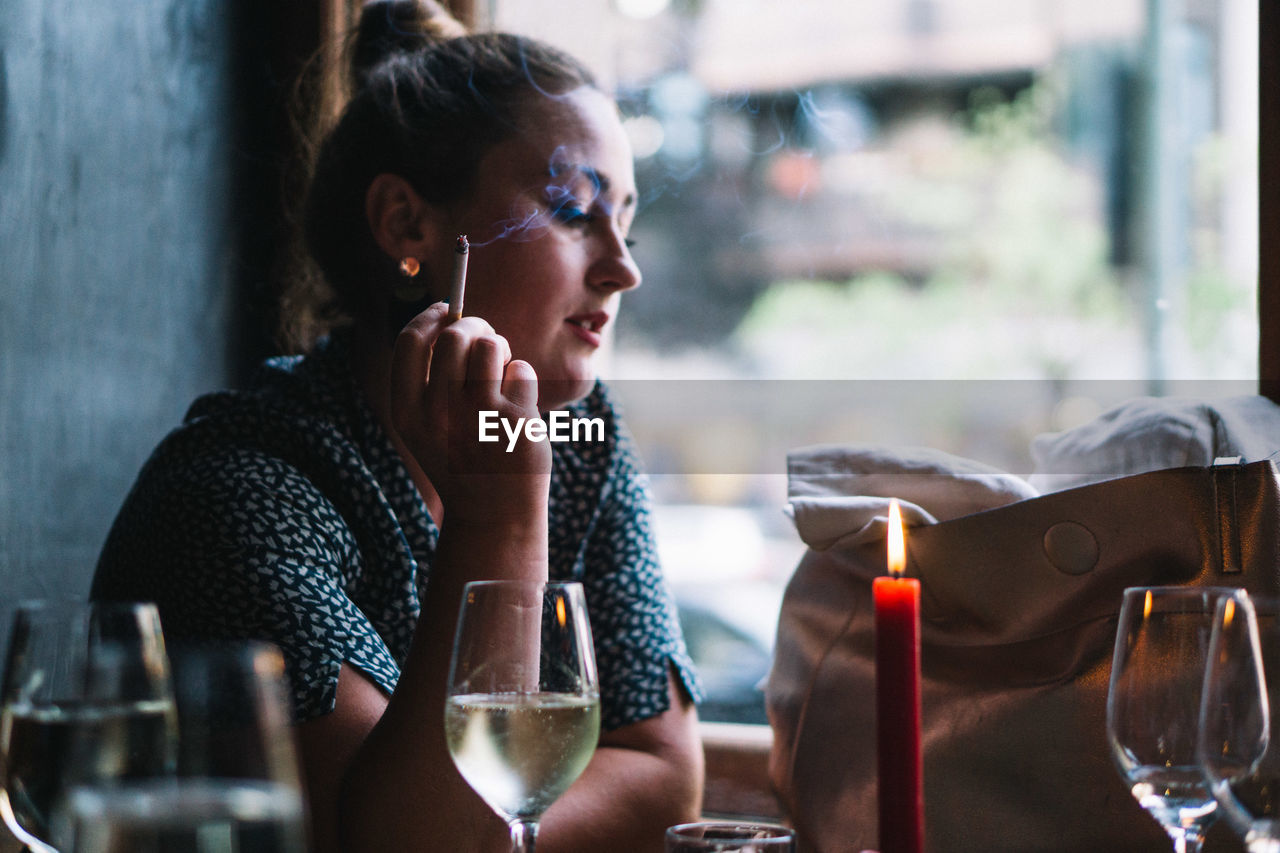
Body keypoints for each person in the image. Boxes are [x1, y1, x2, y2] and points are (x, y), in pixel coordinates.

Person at [92, 2, 705, 850]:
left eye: (625, 220)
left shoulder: (577, 436)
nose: (623, 268)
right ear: (408, 227)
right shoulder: (241, 495)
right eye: (572, 210)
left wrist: (499, 825)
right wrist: (502, 516)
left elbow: (664, 771)